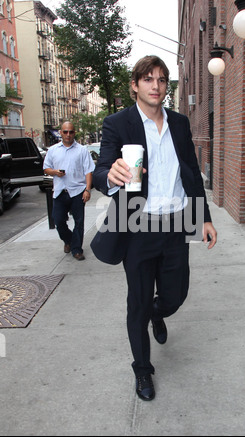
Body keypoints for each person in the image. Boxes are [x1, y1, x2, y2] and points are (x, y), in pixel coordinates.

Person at [91, 56, 217, 401]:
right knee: (138, 303)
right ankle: (143, 371)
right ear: (135, 84)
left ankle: (159, 313)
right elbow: (102, 170)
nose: (156, 86)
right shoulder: (119, 123)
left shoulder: (179, 122)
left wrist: (204, 218)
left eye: (162, 80)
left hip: (177, 221)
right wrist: (111, 176)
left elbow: (190, 172)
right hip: (136, 224)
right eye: (148, 79)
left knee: (176, 296)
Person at [44, 121, 95, 261]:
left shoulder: (82, 150)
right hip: (60, 191)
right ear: (60, 132)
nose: (68, 134)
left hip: (78, 191)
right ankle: (69, 241)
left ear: (74, 133)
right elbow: (46, 168)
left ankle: (77, 249)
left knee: (79, 222)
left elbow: (89, 171)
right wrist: (54, 172)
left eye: (71, 132)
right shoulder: (53, 150)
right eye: (65, 132)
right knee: (58, 220)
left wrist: (88, 189)